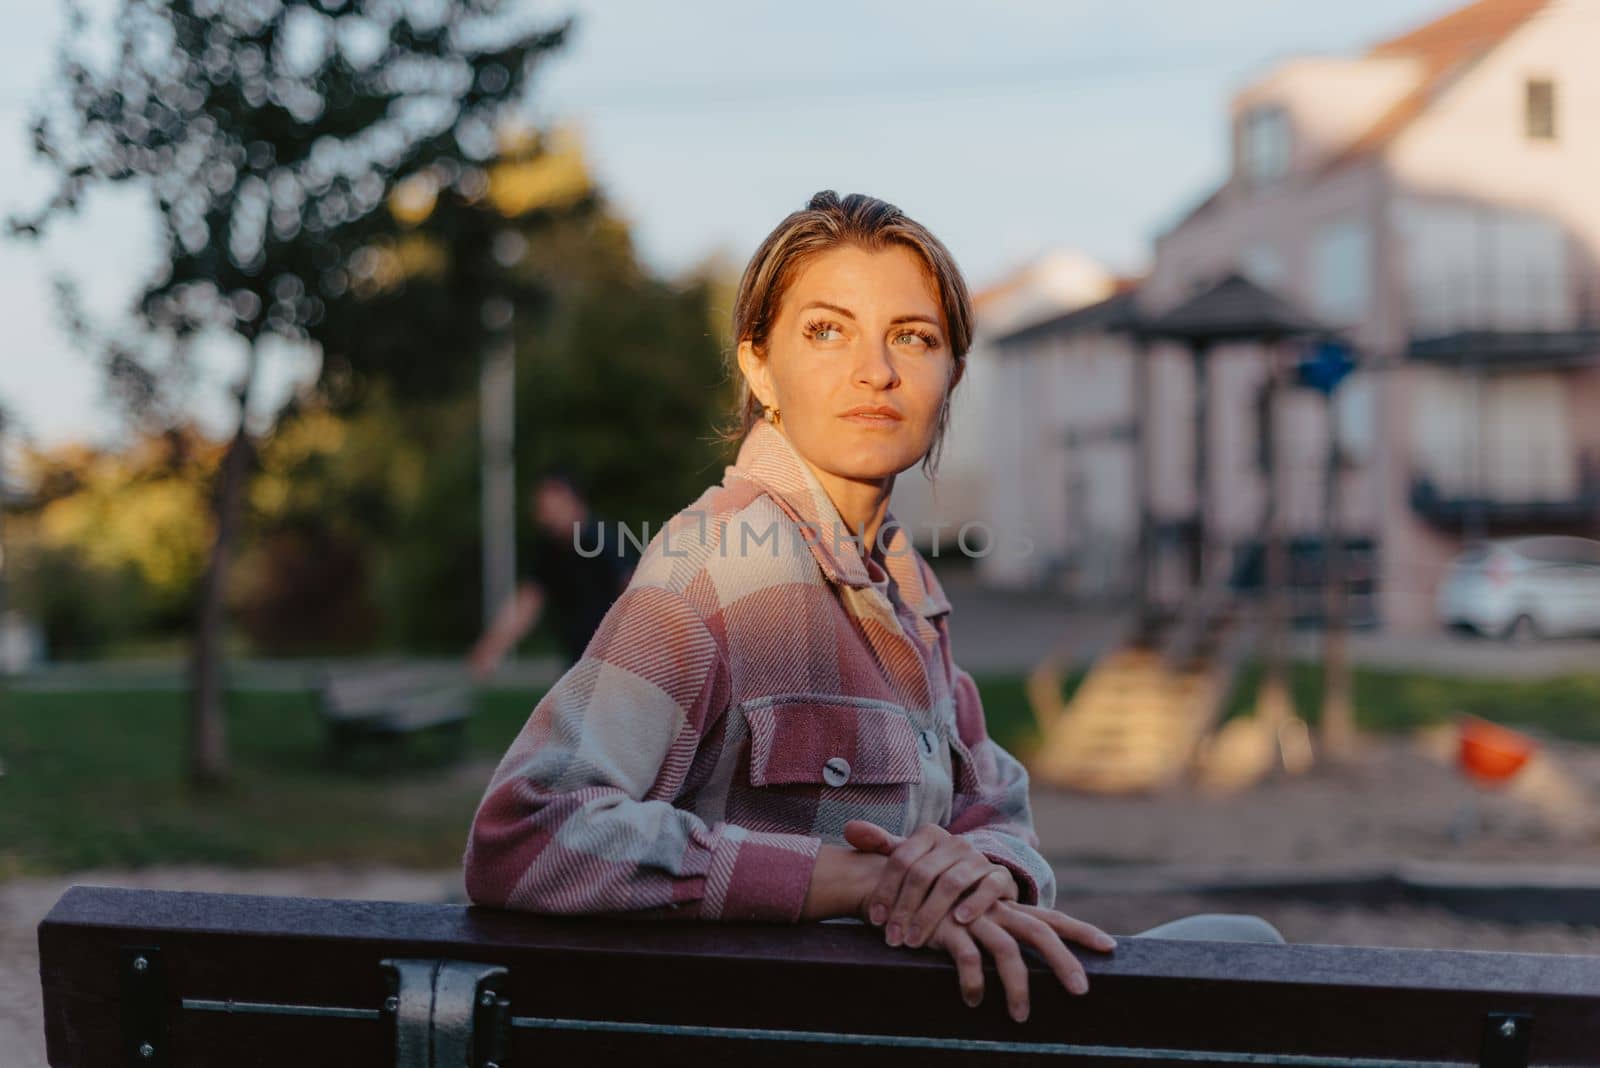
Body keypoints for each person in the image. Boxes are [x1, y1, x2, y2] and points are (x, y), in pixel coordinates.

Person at [463, 190, 1282, 1025]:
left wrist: (981, 874)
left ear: (952, 375)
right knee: (1245, 958)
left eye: (914, 338)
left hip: (913, 1018)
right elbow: (525, 833)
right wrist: (852, 879)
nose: (876, 371)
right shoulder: (717, 565)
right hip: (795, 1035)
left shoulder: (907, 587)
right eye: (826, 330)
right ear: (757, 366)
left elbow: (994, 807)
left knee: (1242, 943)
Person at [467, 471, 636, 677]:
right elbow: (529, 600)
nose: (543, 517)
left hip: (616, 664)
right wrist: (492, 646)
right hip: (579, 662)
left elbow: (632, 592)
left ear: (571, 501)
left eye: (548, 509)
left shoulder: (603, 540)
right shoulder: (549, 548)